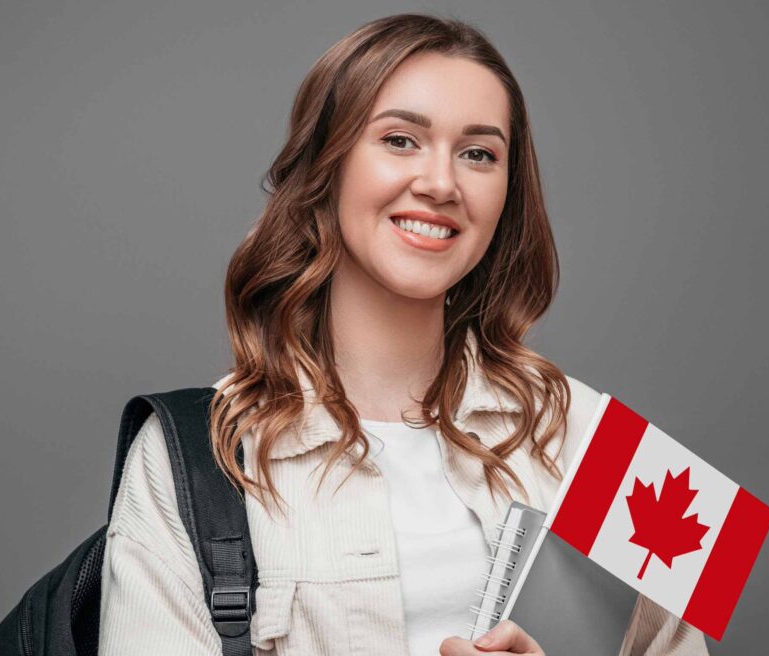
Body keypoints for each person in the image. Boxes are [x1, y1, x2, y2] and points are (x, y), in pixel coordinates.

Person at [98, 12, 709, 656]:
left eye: (479, 153)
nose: (441, 184)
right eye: (399, 140)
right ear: (325, 167)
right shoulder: (195, 456)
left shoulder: (599, 440)